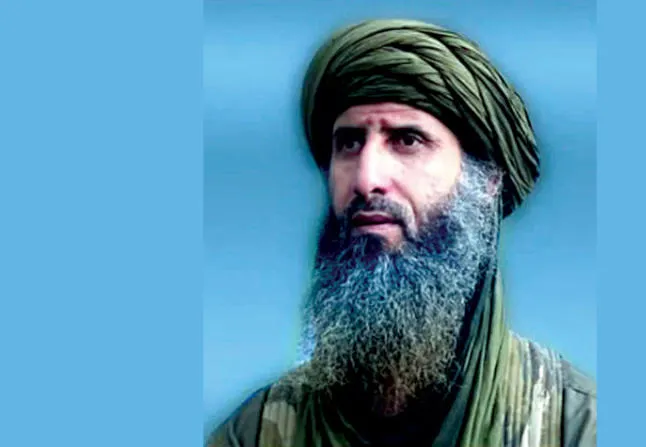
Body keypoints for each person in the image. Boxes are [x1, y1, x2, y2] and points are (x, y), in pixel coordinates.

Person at [207, 18, 596, 447]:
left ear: (487, 181)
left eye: (407, 140)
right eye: (349, 143)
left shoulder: (573, 427)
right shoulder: (256, 434)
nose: (366, 179)